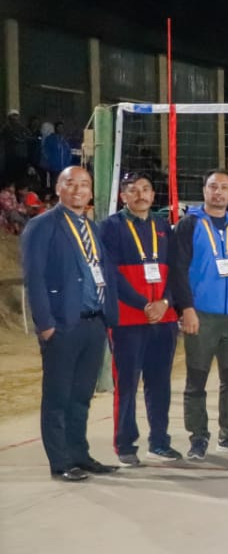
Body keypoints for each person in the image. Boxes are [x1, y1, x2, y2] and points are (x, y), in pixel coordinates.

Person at [21, 166, 120, 482]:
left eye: (84, 184)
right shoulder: (42, 226)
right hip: (63, 325)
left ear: (91, 192)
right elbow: (34, 278)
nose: (78, 190)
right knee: (59, 396)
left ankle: (80, 454)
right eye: (70, 183)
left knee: (80, 396)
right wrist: (46, 324)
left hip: (93, 324)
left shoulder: (91, 227)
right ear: (59, 189)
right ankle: (60, 461)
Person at [170, 169, 228, 459]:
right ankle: (198, 437)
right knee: (197, 380)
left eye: (224, 187)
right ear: (204, 190)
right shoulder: (189, 224)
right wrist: (186, 309)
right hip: (202, 316)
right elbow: (177, 270)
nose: (218, 192)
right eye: (212, 186)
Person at [99, 171, 180, 465]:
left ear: (153, 195)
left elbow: (176, 270)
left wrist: (166, 302)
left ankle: (159, 441)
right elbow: (110, 275)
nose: (140, 195)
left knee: (159, 383)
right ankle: (125, 444)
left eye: (145, 189)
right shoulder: (110, 227)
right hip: (129, 320)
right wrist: (144, 304)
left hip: (165, 318)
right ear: (123, 196)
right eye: (132, 190)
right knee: (128, 385)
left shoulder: (162, 226)